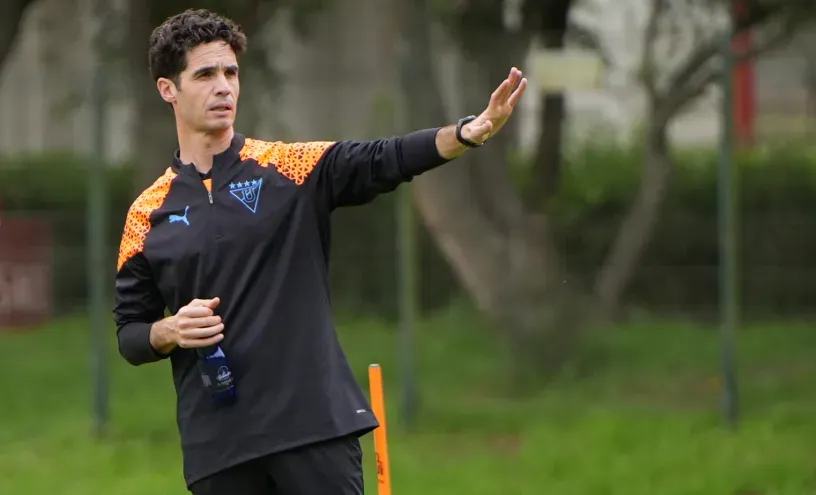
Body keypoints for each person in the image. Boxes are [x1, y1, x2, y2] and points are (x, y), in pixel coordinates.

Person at [113, 8, 527, 495]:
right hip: (219, 449)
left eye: (231, 73)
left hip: (313, 431)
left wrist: (464, 134)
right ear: (168, 89)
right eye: (205, 75)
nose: (223, 87)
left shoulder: (288, 167)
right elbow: (131, 334)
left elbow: (384, 158)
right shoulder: (147, 214)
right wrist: (170, 330)